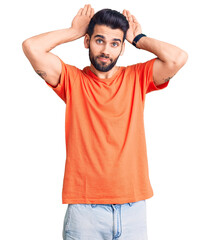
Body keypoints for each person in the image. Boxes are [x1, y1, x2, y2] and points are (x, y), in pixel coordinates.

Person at [22, 4, 188, 240]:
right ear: (87, 41)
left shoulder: (137, 77)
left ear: (122, 47)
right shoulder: (72, 79)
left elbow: (178, 58)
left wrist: (138, 38)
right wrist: (73, 31)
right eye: (99, 40)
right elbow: (31, 47)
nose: (106, 50)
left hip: (133, 208)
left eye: (114, 43)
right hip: (85, 210)